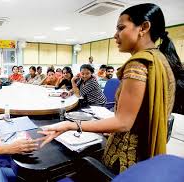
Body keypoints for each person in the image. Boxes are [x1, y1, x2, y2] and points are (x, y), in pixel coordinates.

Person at [38, 3, 184, 174]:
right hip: (145, 155)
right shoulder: (161, 60)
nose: (115, 35)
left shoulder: (138, 64)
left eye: (121, 28)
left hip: (125, 159)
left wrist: (70, 126)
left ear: (144, 27)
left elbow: (123, 123)